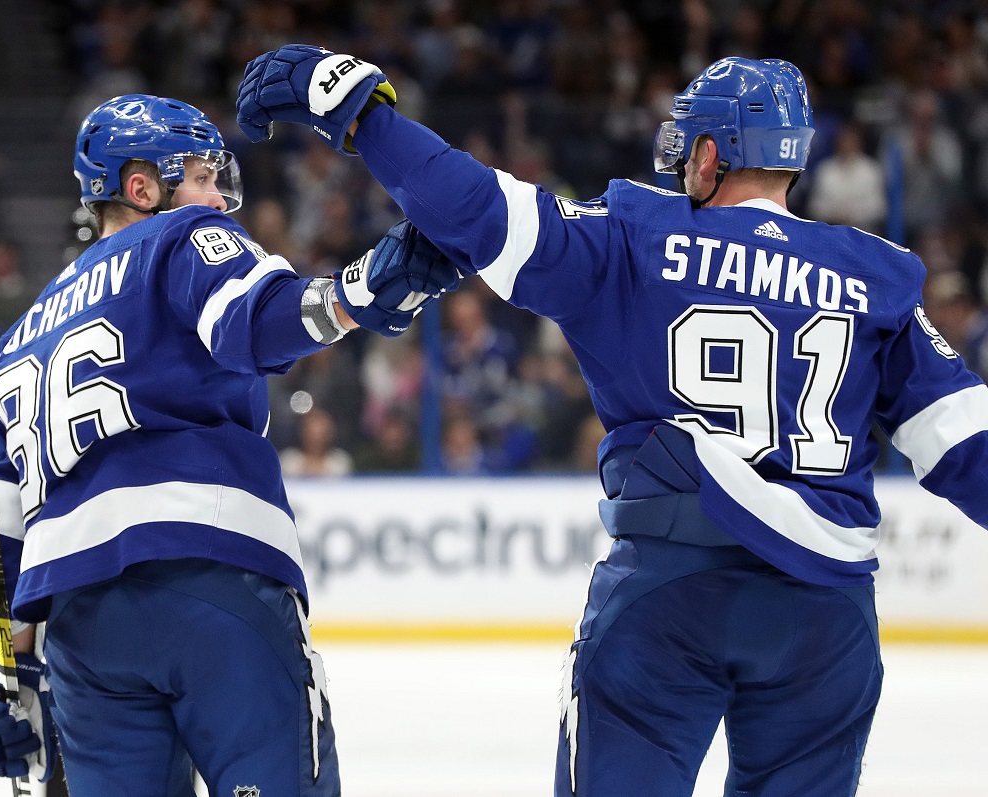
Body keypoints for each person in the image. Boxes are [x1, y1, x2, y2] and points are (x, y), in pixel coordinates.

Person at [237, 49, 988, 795]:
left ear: (707, 152)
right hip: (828, 611)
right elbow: (966, 445)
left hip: (672, 588)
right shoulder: (876, 273)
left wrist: (362, 112)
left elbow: (473, 205)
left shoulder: (634, 232)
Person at [0, 93, 459, 796]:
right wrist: (363, 288)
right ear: (141, 187)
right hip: (209, 579)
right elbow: (259, 319)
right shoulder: (177, 238)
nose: (217, 198)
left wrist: (13, 678)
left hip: (82, 635)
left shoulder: (17, 340)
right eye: (199, 175)